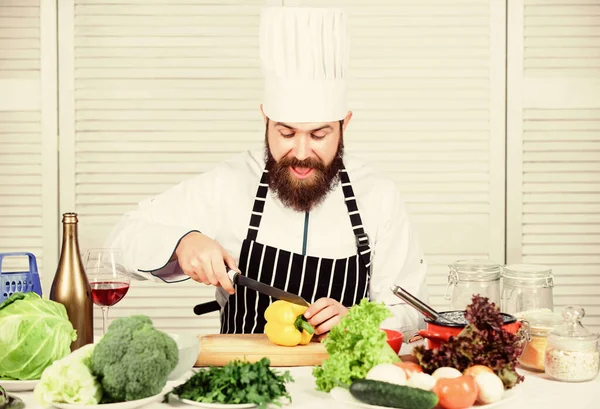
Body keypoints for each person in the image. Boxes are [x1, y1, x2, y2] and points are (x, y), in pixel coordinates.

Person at [104, 5, 429, 339]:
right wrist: (182, 243)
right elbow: (122, 239)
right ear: (265, 120)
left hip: (341, 388)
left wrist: (358, 321)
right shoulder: (228, 183)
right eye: (286, 133)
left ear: (344, 125)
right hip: (244, 382)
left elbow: (413, 314)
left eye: (319, 135)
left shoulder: (378, 196)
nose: (301, 154)